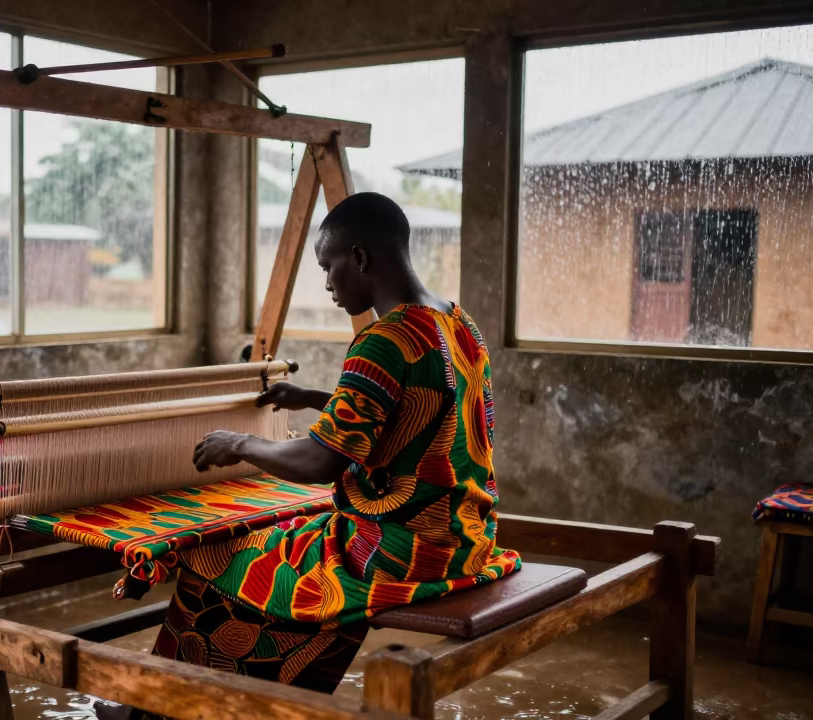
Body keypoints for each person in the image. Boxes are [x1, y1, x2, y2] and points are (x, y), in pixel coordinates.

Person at [97, 192, 521, 719]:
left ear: (360, 258)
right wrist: (316, 398)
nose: (327, 284)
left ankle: (157, 709)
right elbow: (425, 410)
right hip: (466, 538)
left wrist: (242, 444)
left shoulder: (381, 341)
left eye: (329, 266)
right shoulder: (457, 323)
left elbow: (323, 463)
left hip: (394, 553)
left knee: (215, 554)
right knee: (279, 554)